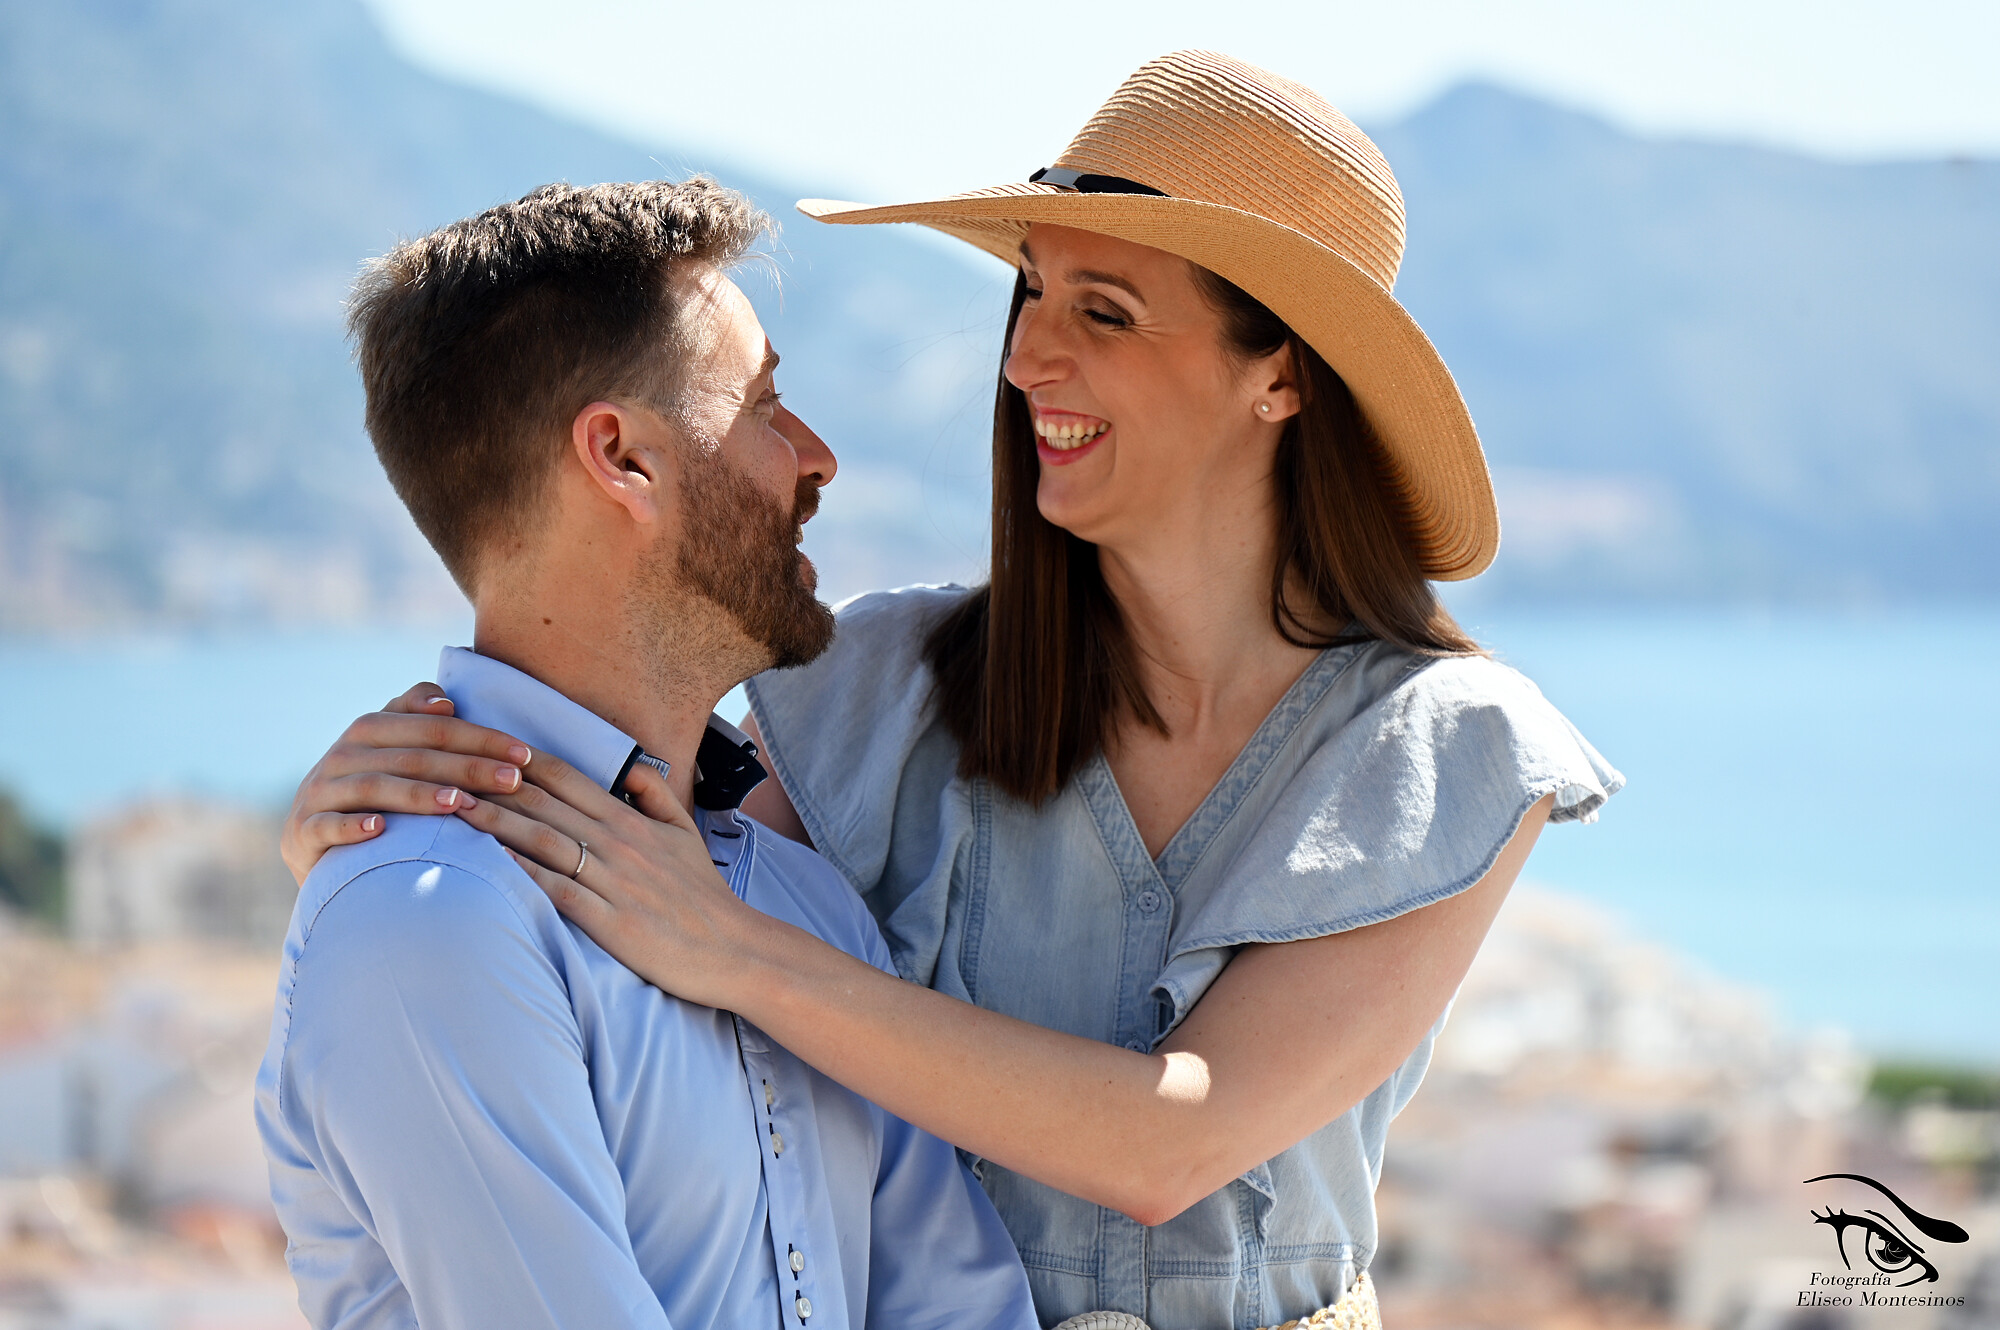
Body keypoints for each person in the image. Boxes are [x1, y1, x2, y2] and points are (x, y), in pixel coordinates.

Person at [280, 53, 1623, 1330]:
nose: (1030, 356)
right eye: (1030, 294)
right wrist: (369, 835)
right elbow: (636, 836)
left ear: (1280, 373)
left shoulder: (1445, 751)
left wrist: (734, 953)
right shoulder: (880, 689)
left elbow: (1177, 1139)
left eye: (1104, 311)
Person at [252, 178, 1039, 1330]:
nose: (815, 459)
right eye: (766, 405)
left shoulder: (800, 905)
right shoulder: (426, 923)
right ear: (622, 458)